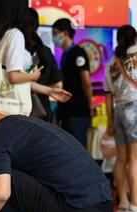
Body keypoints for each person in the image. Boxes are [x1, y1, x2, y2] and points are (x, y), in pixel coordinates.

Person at [105, 25, 137, 212]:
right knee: (135, 159)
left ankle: (124, 203)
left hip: (118, 111)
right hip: (134, 107)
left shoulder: (111, 63)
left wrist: (109, 121)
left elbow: (108, 95)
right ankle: (135, 204)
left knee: (121, 159)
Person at [52, 18, 93, 147]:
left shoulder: (78, 53)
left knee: (78, 148)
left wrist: (90, 104)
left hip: (78, 111)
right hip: (66, 110)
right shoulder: (65, 54)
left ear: (65, 34)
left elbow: (86, 82)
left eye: (55, 33)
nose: (54, 37)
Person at [23, 8, 63, 122]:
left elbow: (14, 79)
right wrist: (45, 89)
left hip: (22, 110)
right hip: (41, 110)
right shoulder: (45, 51)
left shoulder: (18, 50)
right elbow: (58, 84)